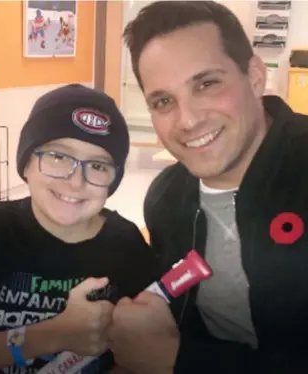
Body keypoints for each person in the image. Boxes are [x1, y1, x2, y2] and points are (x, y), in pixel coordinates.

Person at [108, 1, 308, 373]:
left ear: (255, 76)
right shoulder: (166, 200)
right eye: (164, 101)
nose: (188, 120)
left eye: (206, 83)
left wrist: (176, 360)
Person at [0, 84, 158, 374]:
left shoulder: (126, 244)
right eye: (59, 157)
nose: (76, 182)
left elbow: (143, 356)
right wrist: (54, 334)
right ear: (26, 164)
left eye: (98, 166)